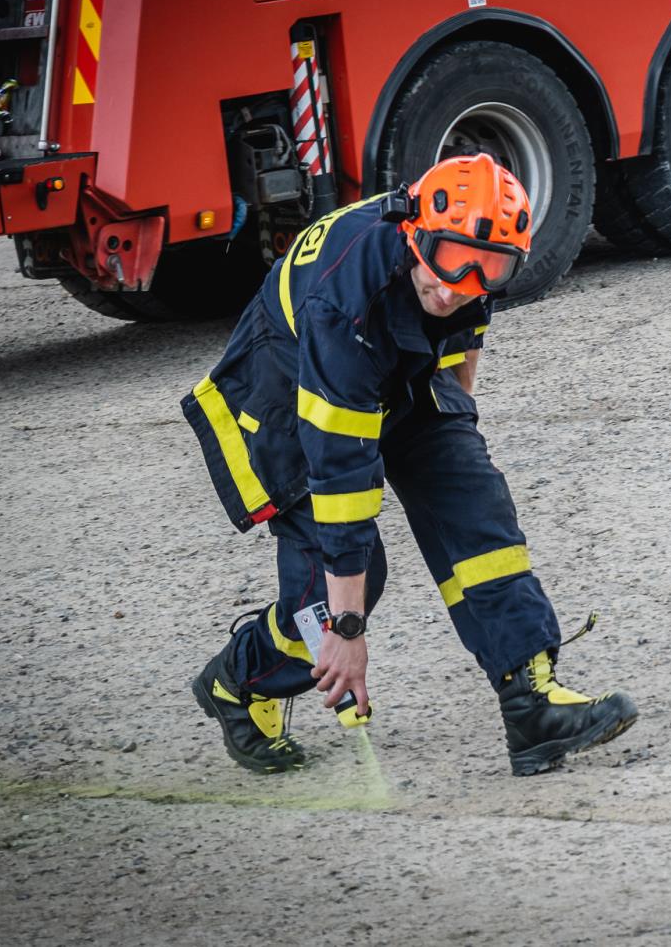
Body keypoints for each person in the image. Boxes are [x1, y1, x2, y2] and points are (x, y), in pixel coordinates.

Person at [182, 152, 636, 775]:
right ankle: (239, 678)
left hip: (399, 370)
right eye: (446, 265)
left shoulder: (464, 254)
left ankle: (530, 703)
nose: (453, 288)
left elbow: (464, 334)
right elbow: (341, 477)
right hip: (287, 398)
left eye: (485, 271)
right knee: (339, 586)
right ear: (412, 232)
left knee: (473, 502)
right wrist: (347, 629)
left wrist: (455, 437)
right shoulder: (343, 302)